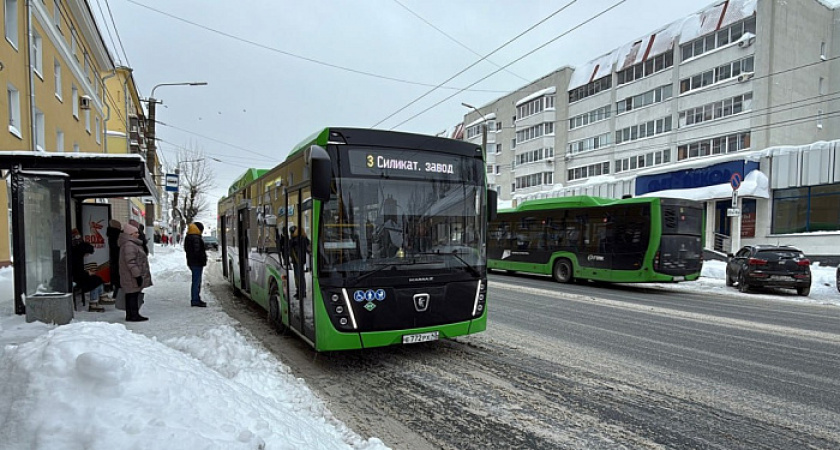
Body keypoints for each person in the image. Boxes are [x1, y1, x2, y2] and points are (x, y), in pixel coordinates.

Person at [119, 223, 152, 322]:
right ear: (130, 234)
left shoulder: (131, 244)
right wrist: (137, 276)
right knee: (132, 295)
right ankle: (134, 315)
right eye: (136, 233)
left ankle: (130, 314)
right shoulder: (130, 245)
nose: (138, 234)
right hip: (131, 275)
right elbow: (131, 262)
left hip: (130, 275)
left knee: (131, 294)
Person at [70, 229, 106, 312]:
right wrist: (88, 273)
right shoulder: (77, 257)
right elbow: (78, 273)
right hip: (75, 280)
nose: (87, 256)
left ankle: (99, 298)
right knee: (95, 280)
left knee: (97, 279)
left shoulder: (75, 254)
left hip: (75, 278)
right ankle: (95, 302)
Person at [184, 221, 208, 307]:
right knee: (196, 281)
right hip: (197, 263)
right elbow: (197, 251)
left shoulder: (189, 236)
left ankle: (196, 298)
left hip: (192, 262)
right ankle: (195, 300)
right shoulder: (196, 238)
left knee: (196, 281)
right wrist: (202, 259)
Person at [289, 225, 310, 299]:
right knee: (298, 277)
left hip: (298, 260)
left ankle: (301, 293)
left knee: (299, 277)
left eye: (292, 232)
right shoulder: (303, 238)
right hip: (297, 260)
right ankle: (299, 292)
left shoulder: (297, 240)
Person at [106, 219, 122, 299]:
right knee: (119, 277)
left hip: (114, 259)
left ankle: (116, 293)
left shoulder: (110, 235)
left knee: (116, 277)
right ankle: (117, 295)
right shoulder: (117, 235)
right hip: (118, 259)